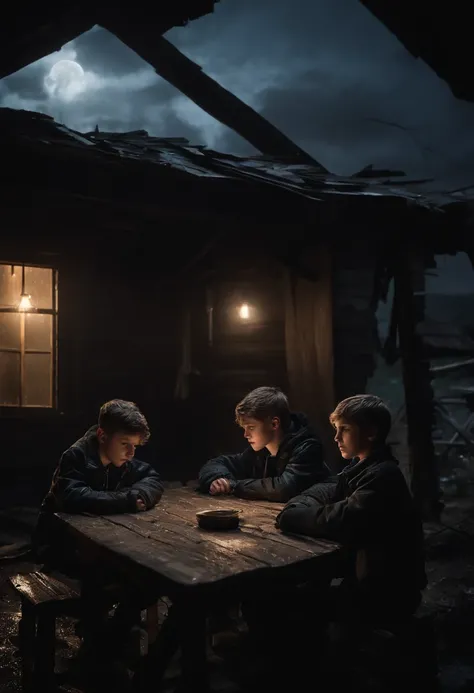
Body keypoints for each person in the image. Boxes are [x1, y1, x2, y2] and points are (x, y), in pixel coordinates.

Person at [34, 399, 164, 674]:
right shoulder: (76, 456)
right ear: (102, 435)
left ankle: (106, 645)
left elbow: (152, 478)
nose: (131, 453)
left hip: (102, 545)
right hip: (60, 545)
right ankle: (102, 652)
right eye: (125, 444)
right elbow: (72, 496)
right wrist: (126, 500)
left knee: (146, 581)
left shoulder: (125, 460)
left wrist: (140, 494)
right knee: (106, 576)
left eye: (135, 447)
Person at [276, 394, 427, 625]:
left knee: (286, 605)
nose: (336, 437)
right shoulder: (360, 468)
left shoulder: (383, 475)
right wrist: (300, 505)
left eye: (344, 429)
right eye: (336, 429)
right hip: (364, 583)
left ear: (371, 432)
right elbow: (323, 490)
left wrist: (292, 516)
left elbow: (342, 518)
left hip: (387, 594)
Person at [198, 386, 330, 502]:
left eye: (251, 427)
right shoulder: (261, 451)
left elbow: (284, 488)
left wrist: (234, 485)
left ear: (274, 424)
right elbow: (217, 463)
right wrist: (219, 479)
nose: (245, 435)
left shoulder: (307, 447)